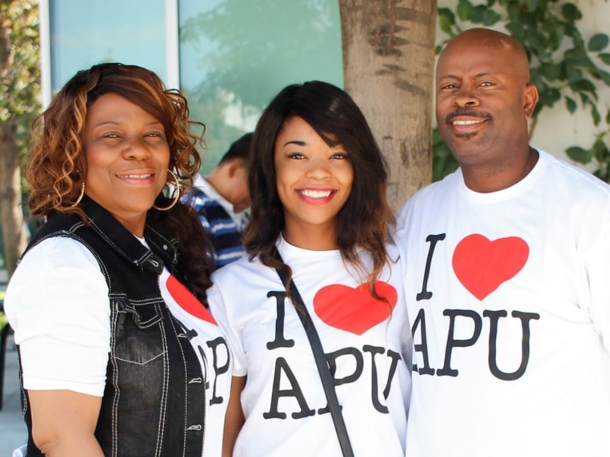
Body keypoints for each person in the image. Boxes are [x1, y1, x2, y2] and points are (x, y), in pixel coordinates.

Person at [395, 28, 610, 456]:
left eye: (486, 83)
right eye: (449, 86)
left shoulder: (590, 212)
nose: (464, 98)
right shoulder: (418, 214)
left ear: (527, 100)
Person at [4, 63, 232, 457]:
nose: (137, 149)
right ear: (72, 152)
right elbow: (62, 438)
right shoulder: (64, 263)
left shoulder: (156, 251)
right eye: (111, 135)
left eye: (152, 135)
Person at [206, 81, 412, 457]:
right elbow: (224, 435)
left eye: (338, 155)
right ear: (271, 166)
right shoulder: (231, 289)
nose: (318, 172)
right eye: (298, 156)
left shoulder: (398, 268)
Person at [184, 133, 252, 269]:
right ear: (234, 170)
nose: (264, 195)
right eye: (262, 184)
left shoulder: (243, 218)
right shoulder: (194, 210)